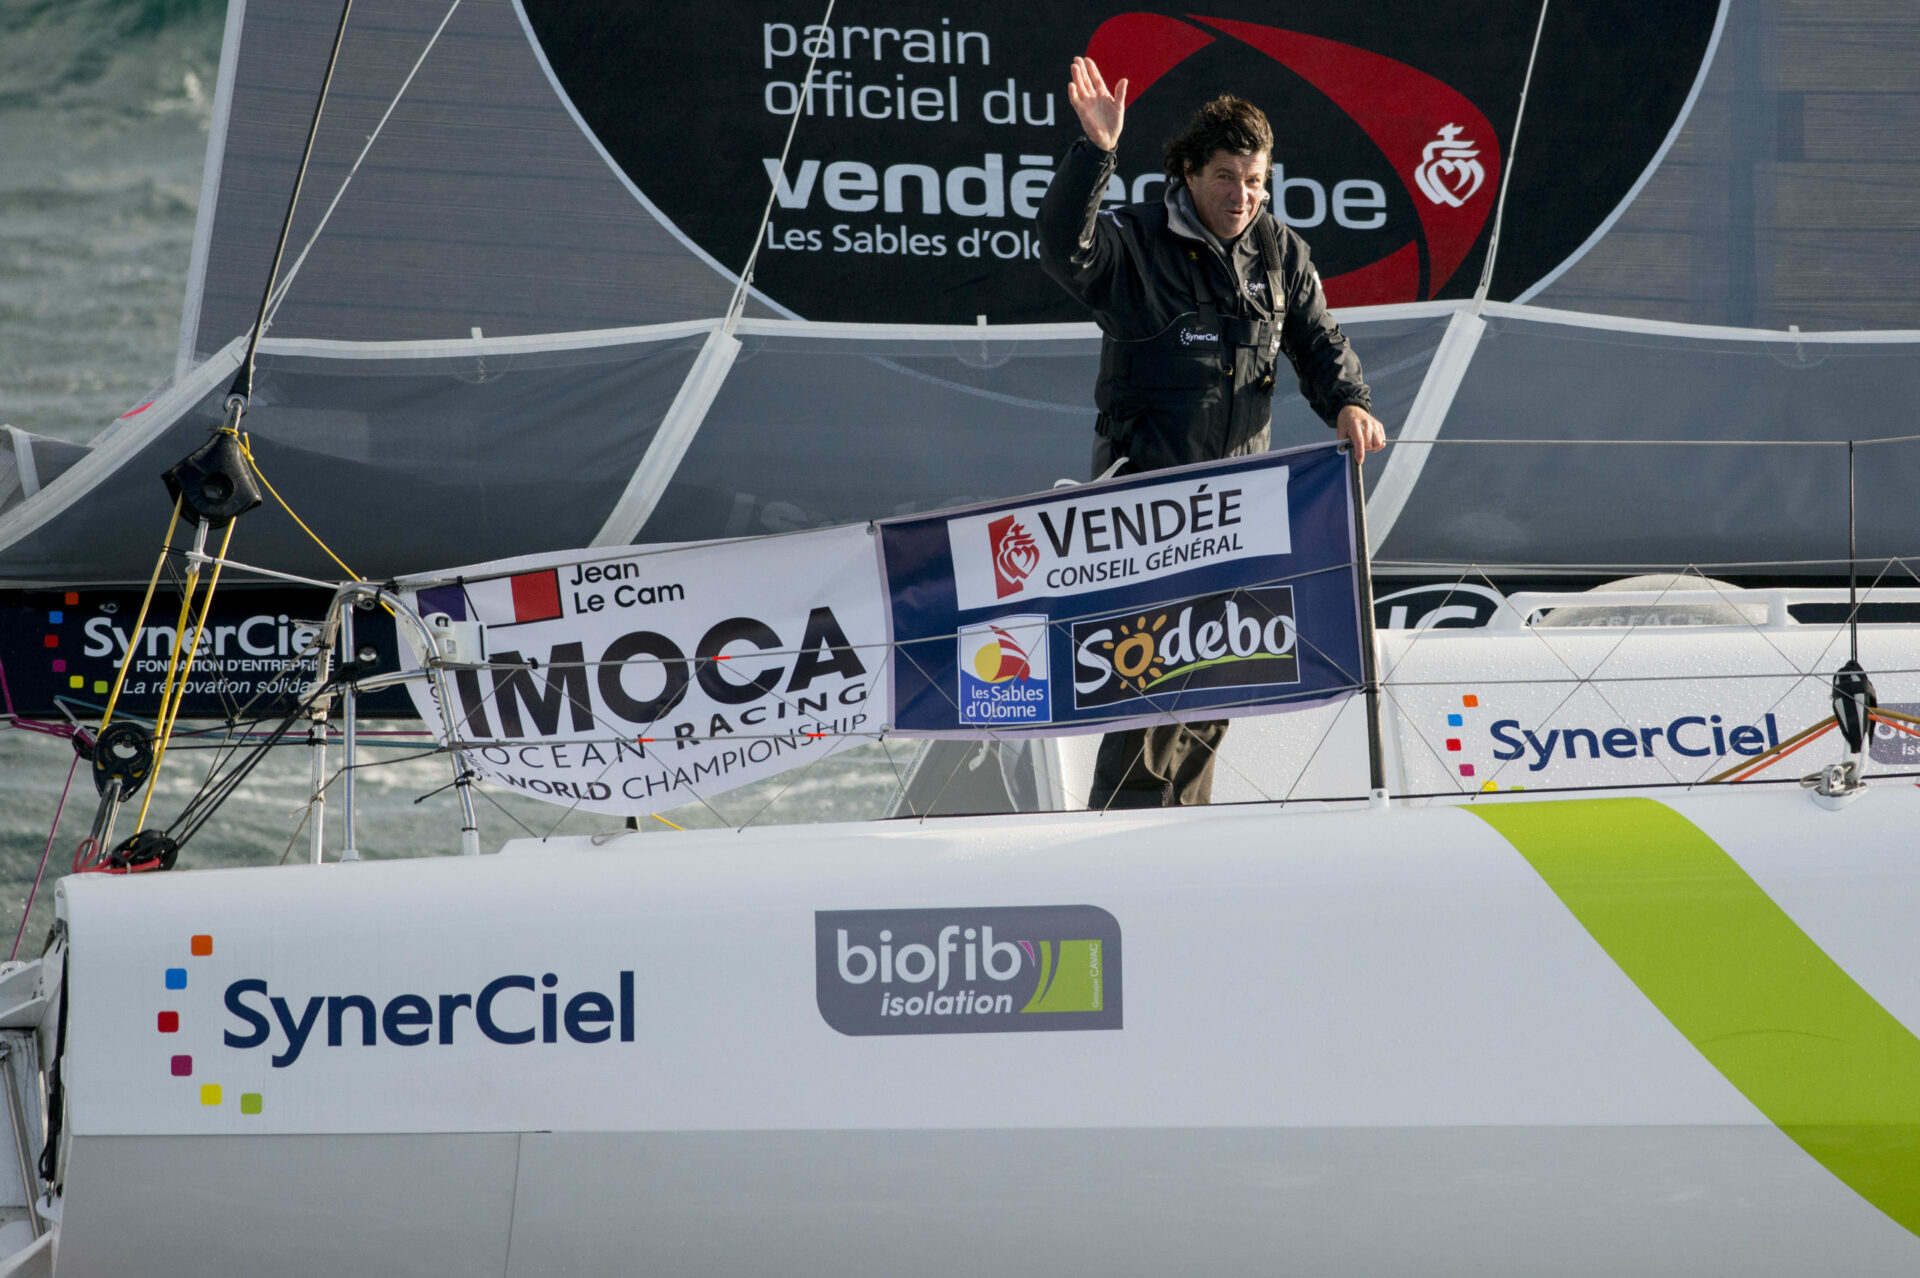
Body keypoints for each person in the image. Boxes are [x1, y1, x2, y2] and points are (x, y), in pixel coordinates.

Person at [1036, 56, 1385, 809]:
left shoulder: (1280, 251)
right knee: (1150, 683)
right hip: (1150, 509)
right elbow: (1063, 250)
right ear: (1189, 172)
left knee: (1221, 678)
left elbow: (1319, 341)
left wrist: (1349, 401)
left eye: (1257, 180)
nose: (1244, 196)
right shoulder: (1135, 241)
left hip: (1241, 510)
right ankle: (1118, 836)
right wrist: (1095, 153)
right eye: (1228, 177)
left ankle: (1183, 836)